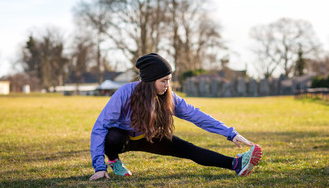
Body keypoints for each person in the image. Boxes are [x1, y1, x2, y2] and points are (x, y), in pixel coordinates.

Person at [89, 53, 262, 180]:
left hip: (149, 136)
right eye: (163, 80)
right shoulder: (125, 93)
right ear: (150, 81)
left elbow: (197, 116)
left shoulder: (169, 97)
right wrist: (99, 166)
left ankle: (236, 165)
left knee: (189, 149)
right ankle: (114, 161)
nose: (167, 85)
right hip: (122, 139)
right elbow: (100, 127)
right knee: (112, 137)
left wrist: (230, 133)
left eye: (169, 80)